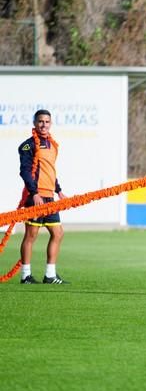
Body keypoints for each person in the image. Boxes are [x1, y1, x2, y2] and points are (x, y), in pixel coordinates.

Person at [18, 109, 69, 284]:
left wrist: (59, 190)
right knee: (31, 235)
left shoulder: (53, 145)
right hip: (36, 197)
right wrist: (34, 193)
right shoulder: (28, 145)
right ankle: (25, 276)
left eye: (47, 122)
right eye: (40, 121)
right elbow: (25, 172)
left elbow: (50, 171)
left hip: (50, 198)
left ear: (51, 123)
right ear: (34, 123)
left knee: (58, 233)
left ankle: (50, 275)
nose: (43, 125)